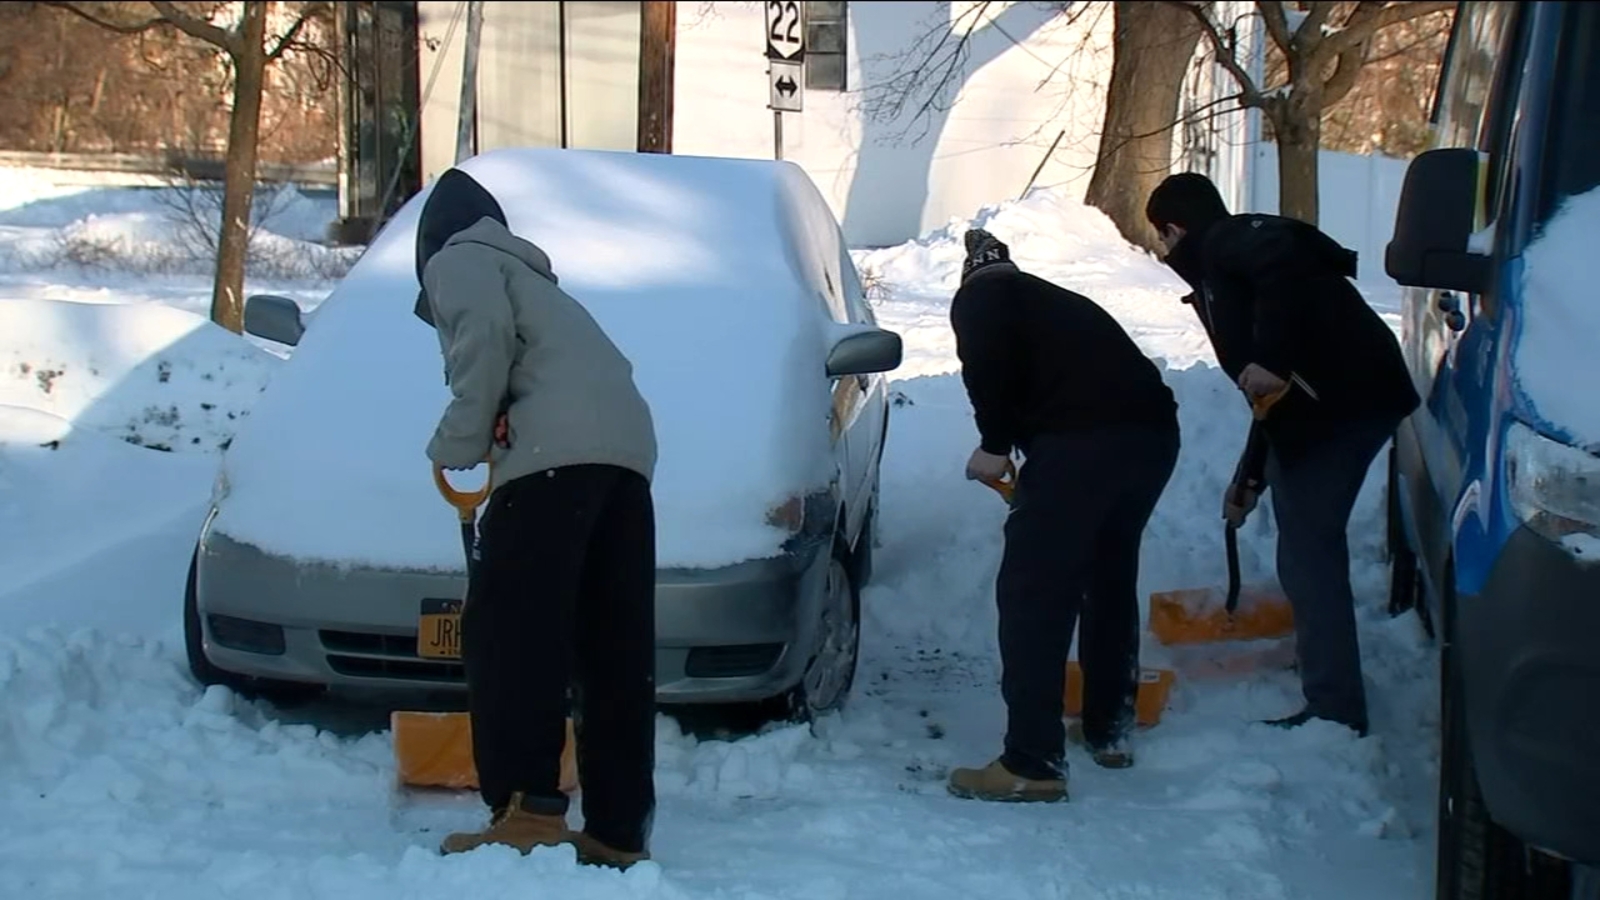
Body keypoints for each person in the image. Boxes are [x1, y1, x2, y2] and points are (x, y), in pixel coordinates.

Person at [412, 168, 660, 868]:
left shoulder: (458, 258)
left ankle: (526, 809)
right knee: (612, 647)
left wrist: (456, 443)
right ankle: (618, 827)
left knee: (513, 637)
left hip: (553, 460)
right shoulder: (548, 291)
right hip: (625, 459)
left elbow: (480, 344)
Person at [1144, 172, 1421, 738]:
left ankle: (1335, 708)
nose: (1164, 251)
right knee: (1302, 541)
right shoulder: (1223, 272)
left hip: (1346, 405)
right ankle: (1324, 667)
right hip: (1332, 407)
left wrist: (1270, 356)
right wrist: (1249, 478)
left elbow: (1284, 258)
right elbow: (1271, 398)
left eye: (1163, 238)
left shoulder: (1233, 240)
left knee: (1308, 550)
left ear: (1175, 229)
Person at [945, 228, 1181, 802]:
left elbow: (988, 365)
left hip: (1081, 443)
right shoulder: (1053, 300)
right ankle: (1109, 729)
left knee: (1033, 595)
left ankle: (1032, 761)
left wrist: (994, 444)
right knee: (1108, 576)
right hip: (1151, 438)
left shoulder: (980, 298)